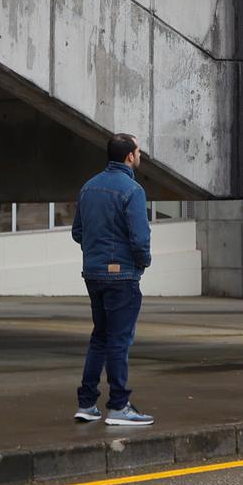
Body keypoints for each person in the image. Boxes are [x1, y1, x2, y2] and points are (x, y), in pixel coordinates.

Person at [72, 133, 153, 426]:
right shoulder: (133, 190)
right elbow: (140, 237)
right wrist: (142, 261)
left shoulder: (88, 187)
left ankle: (86, 403)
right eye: (138, 151)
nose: (140, 156)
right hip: (123, 276)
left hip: (93, 273)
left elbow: (77, 232)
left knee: (100, 337)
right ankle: (119, 405)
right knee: (119, 341)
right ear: (130, 156)